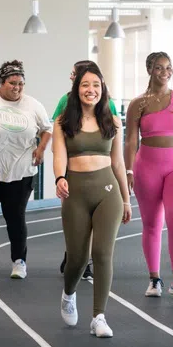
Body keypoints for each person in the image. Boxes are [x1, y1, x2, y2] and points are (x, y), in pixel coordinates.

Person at [52, 65, 132, 337]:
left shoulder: (113, 120)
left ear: (103, 88)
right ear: (77, 89)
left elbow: (118, 162)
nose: (91, 90)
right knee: (77, 257)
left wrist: (126, 198)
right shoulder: (63, 121)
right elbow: (59, 156)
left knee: (102, 253)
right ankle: (69, 292)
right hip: (75, 192)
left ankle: (99, 316)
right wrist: (59, 178)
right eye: (86, 85)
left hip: (107, 191)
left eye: (96, 85)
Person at [124, 51, 173, 300]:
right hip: (146, 166)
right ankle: (154, 279)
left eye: (169, 67)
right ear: (149, 70)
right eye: (159, 68)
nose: (165, 72)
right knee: (151, 224)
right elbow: (130, 141)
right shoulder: (137, 104)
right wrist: (127, 170)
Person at [0, 60, 53, 279]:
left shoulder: (33, 104)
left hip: (21, 172)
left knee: (15, 218)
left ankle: (19, 261)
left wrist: (41, 149)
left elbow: (47, 129)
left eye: (21, 84)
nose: (17, 88)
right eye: (12, 83)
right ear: (1, 82)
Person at [52, 60, 120, 281]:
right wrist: (60, 175)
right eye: (78, 78)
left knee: (99, 234)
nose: (73, 78)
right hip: (74, 175)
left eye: (94, 83)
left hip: (103, 179)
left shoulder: (108, 106)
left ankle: (86, 259)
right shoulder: (65, 102)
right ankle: (75, 255)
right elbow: (59, 142)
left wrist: (126, 190)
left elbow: (115, 149)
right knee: (77, 228)